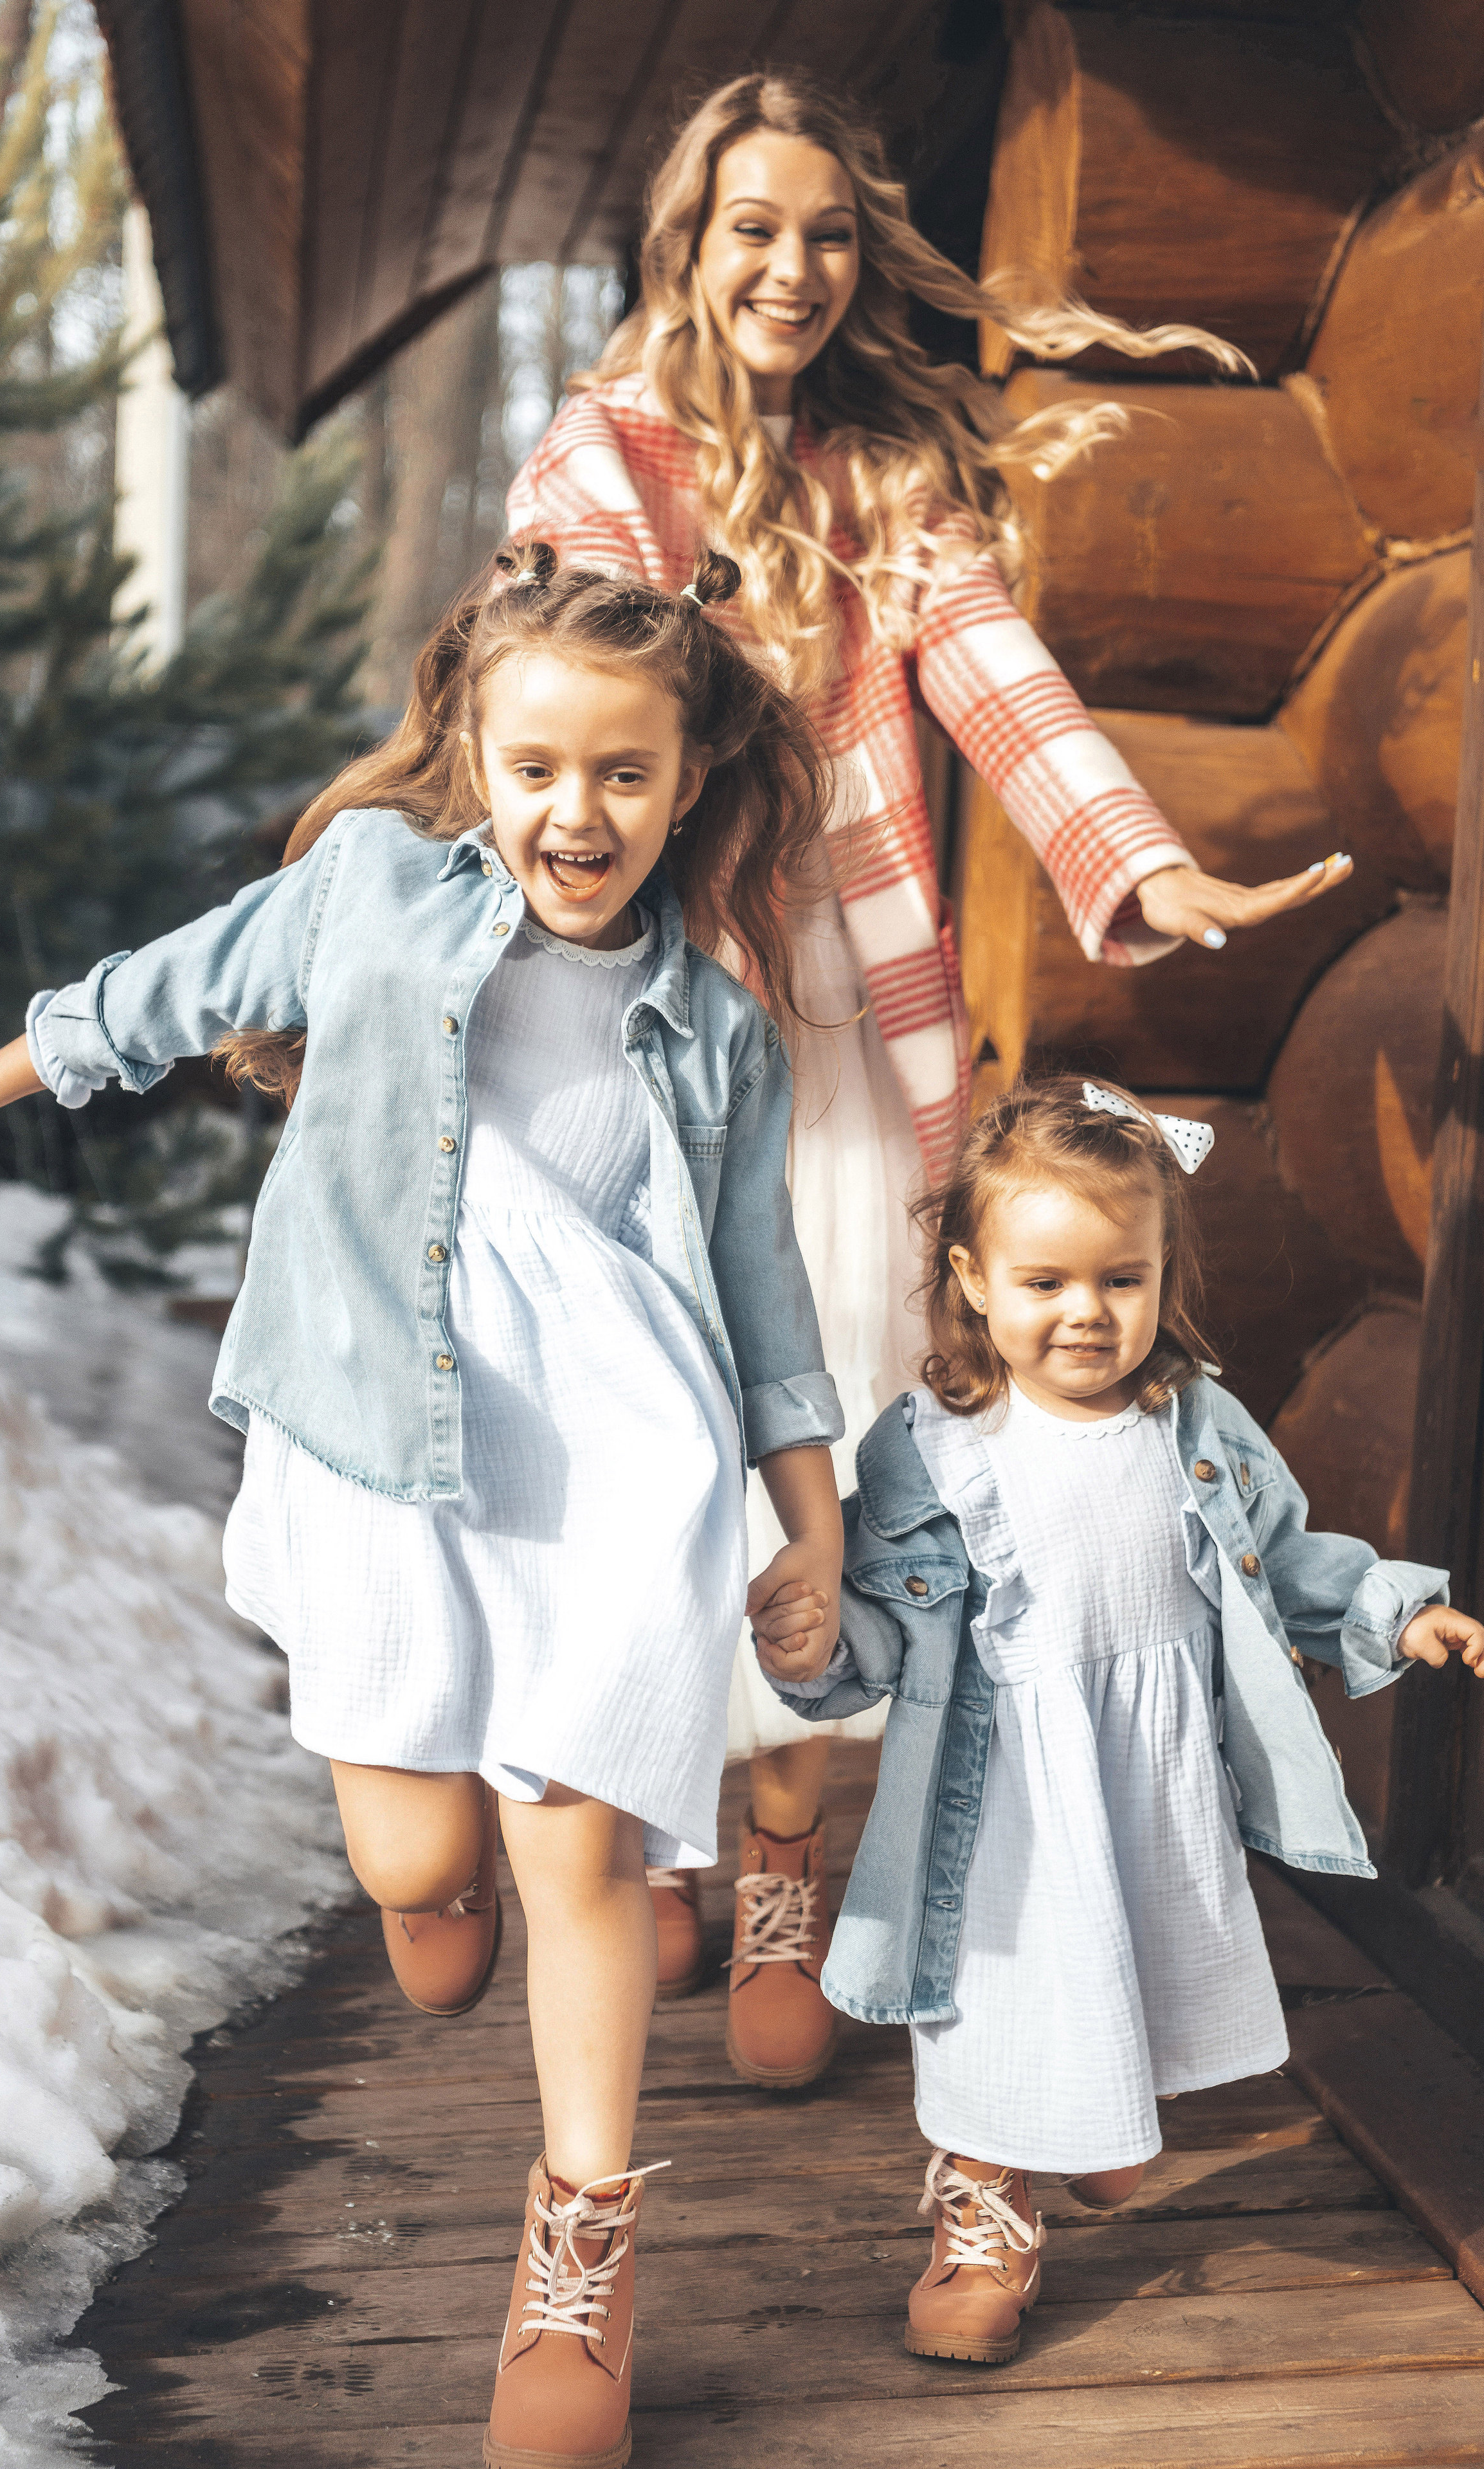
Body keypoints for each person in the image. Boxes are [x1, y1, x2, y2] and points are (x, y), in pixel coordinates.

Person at [0, 543, 853, 2469]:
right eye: (539, 765)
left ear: (690, 780)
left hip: (617, 1472)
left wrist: (803, 1519)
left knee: (584, 1861)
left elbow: (763, 1293)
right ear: (471, 751)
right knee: (410, 1876)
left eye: (625, 777)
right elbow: (172, 988)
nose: (580, 813)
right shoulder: (374, 894)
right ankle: (440, 1857)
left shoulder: (714, 1030)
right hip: (378, 1439)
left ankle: (579, 2261)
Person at [507, 71, 1355, 2076]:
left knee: (837, 1410)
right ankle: (666, 1827)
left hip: (849, 1016)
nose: (789, 268)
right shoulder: (595, 457)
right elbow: (569, 678)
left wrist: (1146, 856)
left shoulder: (886, 473)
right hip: (652, 1017)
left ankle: (790, 1838)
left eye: (821, 232)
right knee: (662, 1416)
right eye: (751, 230)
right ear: (686, 250)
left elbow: (998, 675)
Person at [756, 1076, 1484, 2366]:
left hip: (1153, 1773)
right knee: (994, 1996)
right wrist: (821, 1644)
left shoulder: (1191, 1423)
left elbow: (1281, 1558)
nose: (1086, 1315)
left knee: (1130, 1956)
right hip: (1000, 1796)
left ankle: (1088, 2120)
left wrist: (1386, 1609)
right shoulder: (934, 1449)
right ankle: (981, 2210)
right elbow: (883, 1620)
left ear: (1159, 1276)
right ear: (973, 1281)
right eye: (1044, 1284)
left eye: (1119, 1281)